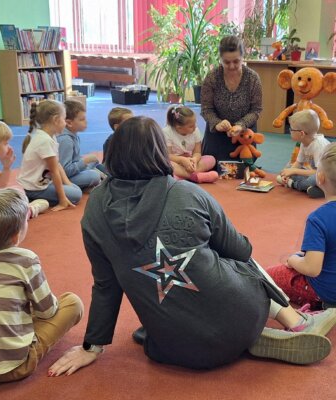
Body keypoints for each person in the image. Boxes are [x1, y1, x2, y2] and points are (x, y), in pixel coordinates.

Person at [48, 117, 336, 376]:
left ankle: (190, 330)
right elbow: (241, 251)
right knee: (238, 258)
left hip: (172, 347)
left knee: (152, 281)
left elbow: (106, 284)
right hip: (241, 314)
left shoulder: (94, 208)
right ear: (160, 152)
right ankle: (291, 321)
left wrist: (91, 346)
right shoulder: (188, 193)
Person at [0, 188, 84, 382]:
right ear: (15, 236)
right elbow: (47, 312)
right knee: (73, 303)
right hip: (13, 367)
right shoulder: (26, 260)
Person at [268, 142, 336, 310]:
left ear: (320, 178)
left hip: (326, 293)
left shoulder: (318, 218)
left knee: (267, 277)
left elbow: (311, 269)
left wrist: (293, 259)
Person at [201, 35, 263, 163]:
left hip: (244, 136)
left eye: (236, 61)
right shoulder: (212, 77)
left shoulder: (252, 78)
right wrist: (217, 123)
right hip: (217, 135)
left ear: (243, 57)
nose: (232, 66)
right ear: (220, 60)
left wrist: (241, 125)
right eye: (226, 62)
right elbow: (206, 109)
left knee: (244, 169)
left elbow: (256, 110)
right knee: (212, 165)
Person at [18, 100, 82, 211]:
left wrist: (67, 183)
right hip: (34, 189)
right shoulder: (45, 140)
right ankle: (32, 198)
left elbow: (57, 163)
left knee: (74, 189)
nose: (65, 123)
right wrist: (62, 200)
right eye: (64, 119)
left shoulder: (49, 136)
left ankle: (47, 197)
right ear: (56, 120)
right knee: (76, 194)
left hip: (42, 184)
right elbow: (54, 171)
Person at [277, 110, 329, 199]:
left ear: (302, 133)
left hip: (329, 176)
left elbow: (319, 172)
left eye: (291, 129)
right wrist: (288, 172)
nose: (290, 131)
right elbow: (298, 163)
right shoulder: (303, 142)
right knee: (289, 165)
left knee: (312, 179)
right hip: (317, 173)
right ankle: (316, 189)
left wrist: (294, 171)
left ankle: (293, 184)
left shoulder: (318, 145)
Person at [163, 105, 218, 183]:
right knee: (167, 165)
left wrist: (194, 160)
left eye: (195, 124)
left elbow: (197, 152)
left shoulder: (195, 131)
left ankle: (182, 176)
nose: (195, 127)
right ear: (179, 127)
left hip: (190, 161)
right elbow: (167, 155)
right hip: (175, 162)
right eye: (191, 126)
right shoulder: (167, 132)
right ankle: (195, 176)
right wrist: (182, 160)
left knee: (211, 159)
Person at [57, 100, 102, 190]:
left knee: (95, 161)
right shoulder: (66, 140)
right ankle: (86, 183)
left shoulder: (73, 135)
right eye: (82, 119)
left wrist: (84, 161)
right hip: (63, 177)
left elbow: (74, 159)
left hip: (73, 170)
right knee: (94, 175)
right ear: (69, 123)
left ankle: (86, 183)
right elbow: (64, 171)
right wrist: (84, 161)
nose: (86, 122)